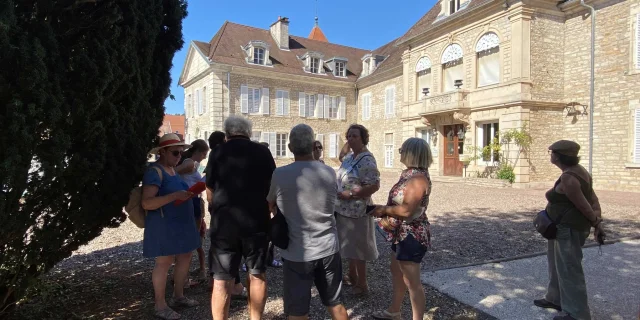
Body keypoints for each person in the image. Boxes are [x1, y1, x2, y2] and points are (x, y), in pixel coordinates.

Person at [267, 124, 349, 320]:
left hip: (298, 251)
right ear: (314, 146)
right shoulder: (328, 172)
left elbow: (270, 205)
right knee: (335, 304)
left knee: (297, 312)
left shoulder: (280, 174)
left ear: (289, 147)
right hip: (328, 247)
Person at [207, 116, 276, 320]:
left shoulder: (217, 152)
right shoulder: (263, 152)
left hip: (224, 224)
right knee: (257, 274)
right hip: (256, 222)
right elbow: (273, 186)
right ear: (249, 132)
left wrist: (213, 210)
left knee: (221, 280)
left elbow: (209, 187)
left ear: (227, 133)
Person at [533, 140, 604, 320]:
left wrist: (597, 223)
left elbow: (585, 205)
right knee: (557, 265)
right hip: (560, 229)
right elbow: (594, 200)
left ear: (558, 156)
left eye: (552, 153)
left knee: (570, 270)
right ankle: (555, 298)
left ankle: (577, 313)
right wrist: (598, 222)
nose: (550, 156)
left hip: (568, 230)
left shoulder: (569, 178)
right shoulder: (580, 171)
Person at [369, 138, 433, 320]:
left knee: (412, 282)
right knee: (397, 272)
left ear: (412, 153)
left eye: (401, 149)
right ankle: (394, 311)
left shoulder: (418, 178)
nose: (399, 152)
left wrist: (383, 210)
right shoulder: (410, 175)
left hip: (411, 235)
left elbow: (406, 210)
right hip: (402, 233)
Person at [141, 133, 200, 320]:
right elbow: (147, 203)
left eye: (181, 153)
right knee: (164, 262)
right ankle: (160, 305)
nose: (179, 156)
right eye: (175, 153)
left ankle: (178, 296)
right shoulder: (155, 172)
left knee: (185, 256)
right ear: (163, 152)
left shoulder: (174, 170)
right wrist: (175, 196)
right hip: (164, 225)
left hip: (181, 223)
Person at [335, 124, 380, 296]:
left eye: (355, 136)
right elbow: (341, 157)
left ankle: (362, 285)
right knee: (349, 247)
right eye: (349, 136)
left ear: (363, 138)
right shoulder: (350, 157)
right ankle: (352, 276)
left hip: (358, 210)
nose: (351, 139)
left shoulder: (367, 159)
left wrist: (352, 193)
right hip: (344, 210)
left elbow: (374, 185)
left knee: (359, 249)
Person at [204, 132, 247, 298]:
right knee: (231, 249)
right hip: (230, 211)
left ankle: (213, 279)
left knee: (216, 247)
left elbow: (209, 186)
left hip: (218, 211)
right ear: (223, 141)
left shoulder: (214, 157)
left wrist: (211, 205)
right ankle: (234, 284)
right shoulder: (224, 156)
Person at [176, 139, 210, 281]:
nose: (205, 157)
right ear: (201, 152)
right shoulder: (189, 163)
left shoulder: (192, 164)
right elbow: (173, 174)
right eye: (204, 154)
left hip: (191, 200)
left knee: (193, 238)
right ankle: (185, 275)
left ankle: (188, 272)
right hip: (191, 200)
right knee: (193, 238)